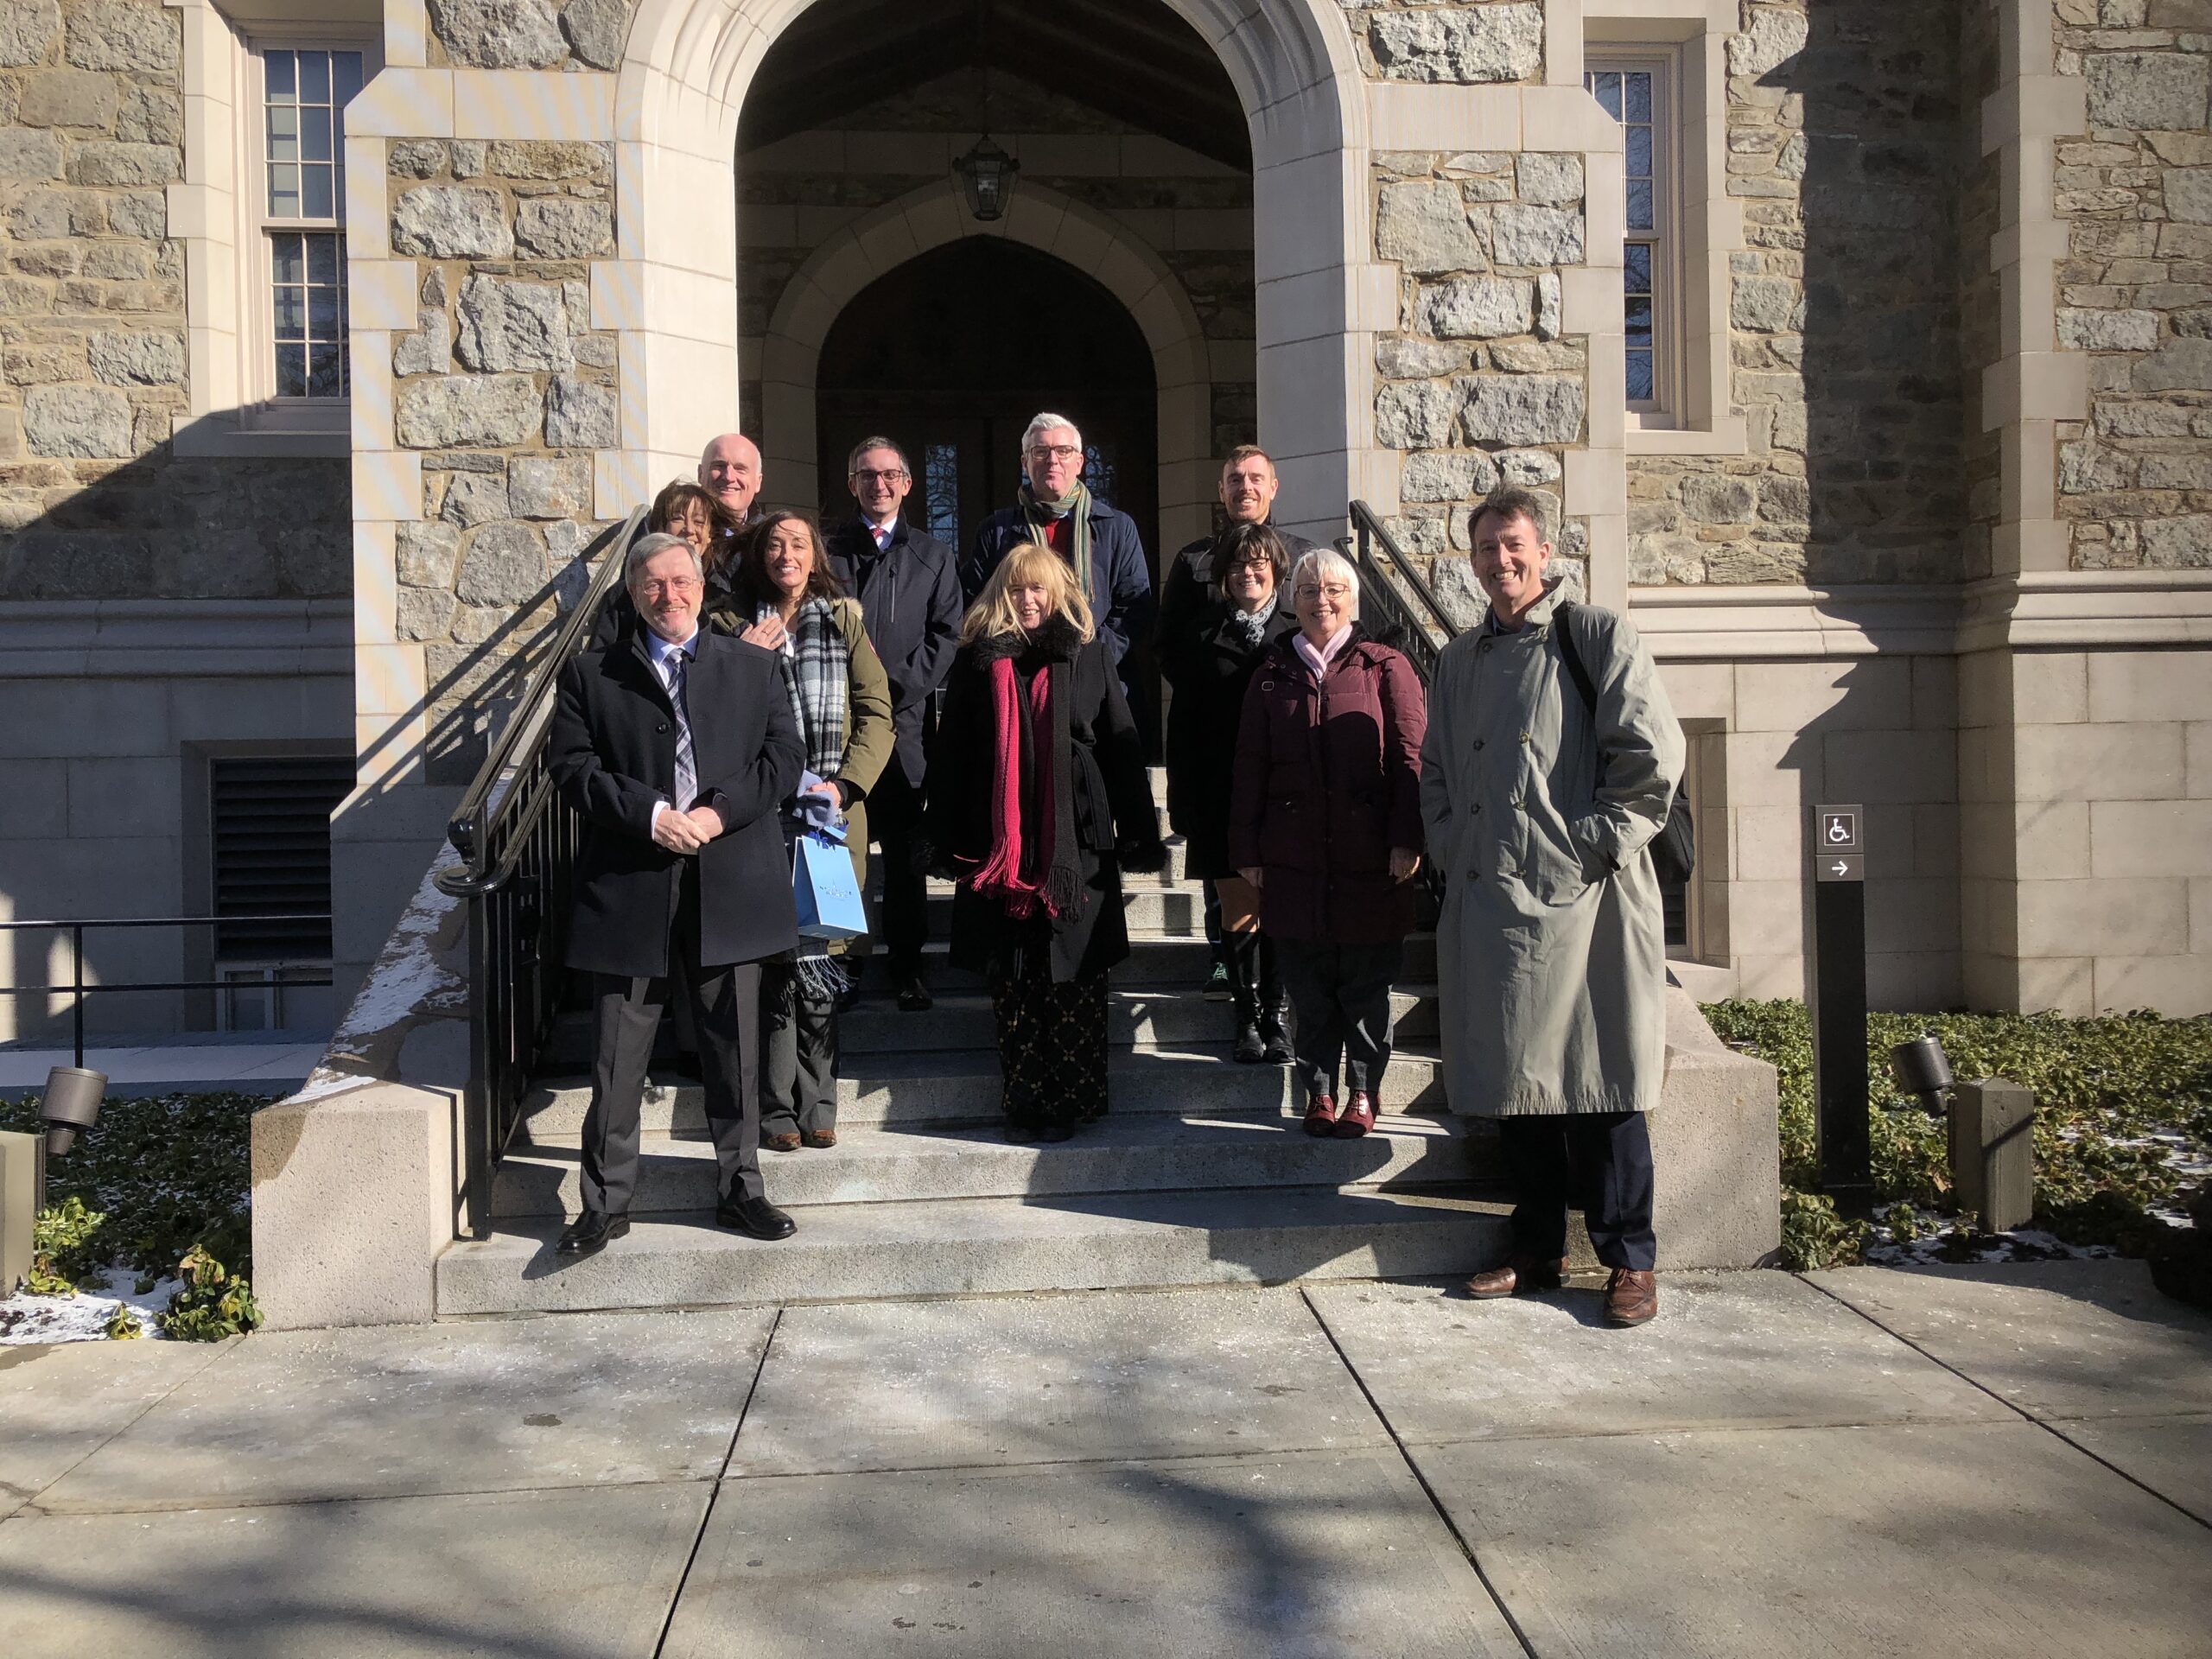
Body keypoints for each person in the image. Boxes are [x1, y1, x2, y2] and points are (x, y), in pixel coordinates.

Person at [1422, 487, 1684, 1327]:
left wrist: (1590, 846)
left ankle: (1628, 1260)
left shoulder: (1596, 635)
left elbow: (1649, 758)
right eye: (1487, 548)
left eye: (1514, 545)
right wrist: (1448, 848)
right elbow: (1433, 769)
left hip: (1588, 902)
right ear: (1471, 562)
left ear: (1544, 552)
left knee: (1600, 1083)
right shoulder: (1457, 658)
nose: (1501, 561)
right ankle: (1535, 1246)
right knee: (1519, 1085)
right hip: (1493, 898)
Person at [546, 531, 804, 1256]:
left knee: (734, 1049)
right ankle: (605, 1203)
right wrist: (651, 816)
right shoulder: (592, 675)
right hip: (631, 883)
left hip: (732, 880)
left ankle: (740, 1188)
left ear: (701, 586)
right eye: (652, 584)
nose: (669, 595)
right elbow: (571, 768)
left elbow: (784, 757)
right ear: (633, 593)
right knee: (615, 1055)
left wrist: (717, 813)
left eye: (680, 581)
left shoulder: (752, 667)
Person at [922, 543, 1164, 1141]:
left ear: (1057, 594)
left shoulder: (1089, 654)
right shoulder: (978, 663)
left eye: (1038, 589)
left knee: (1077, 972)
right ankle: (1026, 1094)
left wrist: (1138, 834)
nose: (1028, 600)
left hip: (1075, 843)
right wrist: (945, 840)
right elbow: (952, 754)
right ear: (1000, 595)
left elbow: (1122, 748)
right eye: (1017, 589)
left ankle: (1078, 1092)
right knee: (1015, 976)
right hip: (1001, 845)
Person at [1230, 547, 1425, 1141]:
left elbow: (1413, 758)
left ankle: (1363, 1092)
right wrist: (1248, 851)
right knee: (1309, 989)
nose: (1322, 599)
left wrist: (1406, 839)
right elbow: (1249, 768)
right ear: (1294, 599)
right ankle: (1318, 1091)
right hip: (1294, 862)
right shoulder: (1270, 675)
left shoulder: (1386, 666)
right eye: (1311, 589)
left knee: (1365, 985)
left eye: (1335, 588)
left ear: (1354, 598)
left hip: (1370, 859)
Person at [714, 509, 893, 1154]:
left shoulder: (844, 619)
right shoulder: (727, 627)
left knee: (820, 964)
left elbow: (878, 711)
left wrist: (844, 785)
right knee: (773, 966)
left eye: (798, 544)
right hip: (761, 817)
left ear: (815, 555)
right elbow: (712, 724)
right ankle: (774, 1106)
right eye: (774, 545)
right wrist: (739, 661)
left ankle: (819, 1101)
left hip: (829, 817)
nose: (786, 555)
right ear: (758, 556)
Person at [1155, 447, 1317, 1000]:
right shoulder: (1193, 561)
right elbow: (1169, 645)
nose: (1244, 487)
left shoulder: (1303, 557)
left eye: (1254, 479)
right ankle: (1224, 965)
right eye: (1233, 480)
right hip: (1217, 737)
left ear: (1274, 487)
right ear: (1221, 492)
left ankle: (1277, 978)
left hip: (1288, 743)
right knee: (1221, 867)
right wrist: (1214, 683)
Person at [824, 436, 963, 1013]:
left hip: (904, 733)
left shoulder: (934, 556)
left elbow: (946, 638)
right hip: (836, 730)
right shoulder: (826, 553)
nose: (878, 485)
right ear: (852, 483)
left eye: (888, 475)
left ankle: (908, 967)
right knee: (841, 849)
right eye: (866, 475)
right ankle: (844, 965)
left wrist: (883, 692)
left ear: (907, 484)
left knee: (906, 858)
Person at [1157, 520, 1296, 1065]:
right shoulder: (1198, 633)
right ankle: (1246, 1016)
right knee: (1238, 908)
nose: (1249, 572)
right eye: (1238, 564)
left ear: (1277, 570)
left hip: (1285, 794)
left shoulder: (1297, 630)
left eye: (1259, 562)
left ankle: (1277, 1016)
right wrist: (1183, 800)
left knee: (1279, 907)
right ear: (1222, 576)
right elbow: (1184, 727)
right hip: (1221, 793)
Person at [961, 413, 1154, 697]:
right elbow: (976, 602)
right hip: (1020, 681)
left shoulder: (1116, 527)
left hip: (1097, 681)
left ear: (1079, 462)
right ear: (1025, 463)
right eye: (1040, 451)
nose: (1052, 460)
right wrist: (1018, 654)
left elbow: (1134, 609)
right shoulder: (997, 531)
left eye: (1063, 451)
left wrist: (1092, 658)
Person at [698, 433, 766, 607]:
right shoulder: (670, 533)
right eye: (719, 466)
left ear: (758, 482)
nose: (728, 477)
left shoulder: (773, 537)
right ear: (700, 474)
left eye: (740, 468)